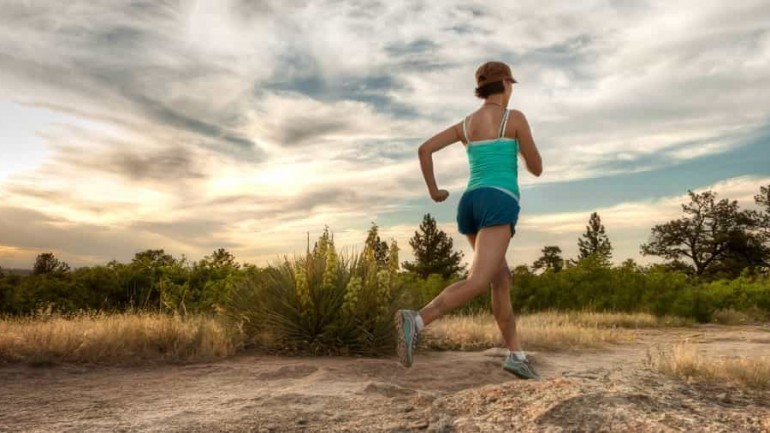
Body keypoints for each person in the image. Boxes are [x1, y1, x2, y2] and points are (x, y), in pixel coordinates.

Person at [395, 61, 543, 380]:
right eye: (511, 84)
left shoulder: (466, 124)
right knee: (479, 280)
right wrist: (515, 148)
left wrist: (434, 191)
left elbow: (425, 150)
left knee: (500, 278)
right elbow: (536, 167)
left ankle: (516, 355)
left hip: (471, 202)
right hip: (498, 200)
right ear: (505, 84)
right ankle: (416, 320)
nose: (511, 89)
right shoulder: (513, 119)